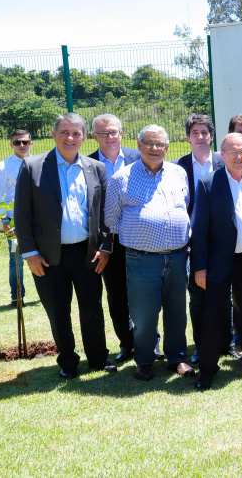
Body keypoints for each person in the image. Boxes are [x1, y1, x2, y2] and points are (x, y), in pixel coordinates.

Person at [14, 113, 115, 379]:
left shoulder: (96, 168)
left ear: (83, 137)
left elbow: (105, 214)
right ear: (53, 133)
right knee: (58, 311)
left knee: (92, 308)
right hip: (47, 257)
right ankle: (68, 363)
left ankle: (98, 359)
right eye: (65, 132)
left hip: (88, 254)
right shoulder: (32, 167)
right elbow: (22, 214)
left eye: (76, 133)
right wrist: (30, 254)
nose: (70, 138)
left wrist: (105, 248)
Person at [104, 125, 194, 382]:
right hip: (141, 259)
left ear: (167, 147)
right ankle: (144, 360)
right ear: (139, 144)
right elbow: (111, 220)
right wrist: (143, 231)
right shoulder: (121, 178)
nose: (155, 148)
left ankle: (177, 357)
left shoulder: (178, 173)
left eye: (161, 144)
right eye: (150, 143)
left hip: (178, 257)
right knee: (144, 315)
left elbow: (184, 206)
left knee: (177, 311)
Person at [191, 133, 242, 391]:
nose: (239, 156)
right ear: (223, 154)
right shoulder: (208, 183)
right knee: (213, 315)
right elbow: (200, 229)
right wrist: (200, 268)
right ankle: (207, 368)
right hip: (218, 262)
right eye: (233, 152)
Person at [173, 114, 228, 363]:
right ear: (188, 137)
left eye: (204, 132)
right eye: (194, 132)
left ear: (212, 136)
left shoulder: (224, 162)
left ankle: (226, 343)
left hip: (224, 241)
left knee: (225, 294)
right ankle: (201, 345)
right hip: (192, 244)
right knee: (197, 295)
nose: (200, 136)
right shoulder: (177, 167)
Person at [88, 114, 141, 364]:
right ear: (94, 137)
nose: (109, 137)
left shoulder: (138, 158)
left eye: (113, 132)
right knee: (116, 295)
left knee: (144, 293)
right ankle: (127, 343)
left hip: (139, 238)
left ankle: (150, 342)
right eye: (102, 133)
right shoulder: (86, 164)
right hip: (107, 243)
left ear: (121, 133)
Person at [0, 129, 33, 307]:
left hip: (39, 218)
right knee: (16, 259)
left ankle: (51, 295)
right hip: (14, 220)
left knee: (47, 256)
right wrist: (5, 222)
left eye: (25, 142)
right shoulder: (4, 166)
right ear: (11, 144)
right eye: (17, 142)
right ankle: (17, 297)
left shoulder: (41, 163)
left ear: (31, 143)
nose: (21, 145)